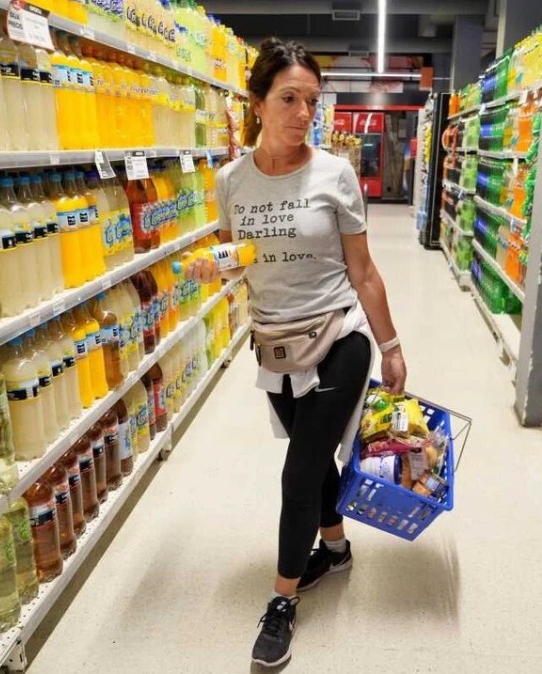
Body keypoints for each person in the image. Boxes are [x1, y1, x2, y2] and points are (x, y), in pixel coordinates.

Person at [184, 37, 407, 668]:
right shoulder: (231, 181)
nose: (303, 113)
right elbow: (238, 260)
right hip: (276, 345)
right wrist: (214, 268)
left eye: (311, 100)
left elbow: (363, 271)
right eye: (288, 98)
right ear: (256, 103)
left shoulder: (335, 175)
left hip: (340, 335)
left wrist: (390, 346)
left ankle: (281, 601)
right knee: (316, 459)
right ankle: (334, 551)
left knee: (300, 470)